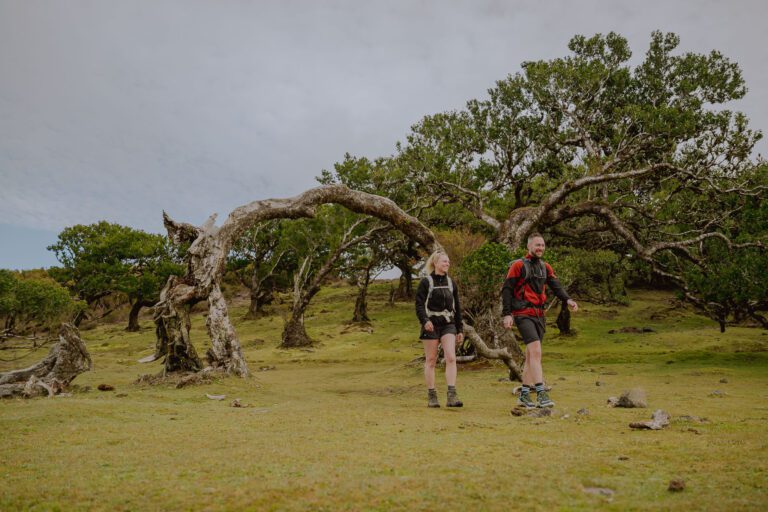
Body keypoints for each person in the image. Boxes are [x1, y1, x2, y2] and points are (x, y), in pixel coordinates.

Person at [501, 233, 578, 408]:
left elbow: (556, 286)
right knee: (536, 352)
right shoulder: (518, 266)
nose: (540, 248)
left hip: (539, 315)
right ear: (528, 246)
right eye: (537, 245)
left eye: (542, 245)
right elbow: (507, 290)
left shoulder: (545, 267)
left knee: (530, 356)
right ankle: (541, 394)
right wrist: (507, 314)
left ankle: (524, 395)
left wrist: (568, 299)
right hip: (522, 314)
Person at [415, 250, 464, 408]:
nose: (447, 264)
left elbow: (458, 307)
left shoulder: (451, 283)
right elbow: (419, 305)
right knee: (431, 360)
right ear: (435, 263)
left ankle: (452, 395)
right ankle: (432, 395)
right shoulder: (426, 282)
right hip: (431, 324)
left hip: (448, 324)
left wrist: (460, 329)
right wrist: (425, 321)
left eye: (448, 261)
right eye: (444, 261)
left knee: (451, 357)